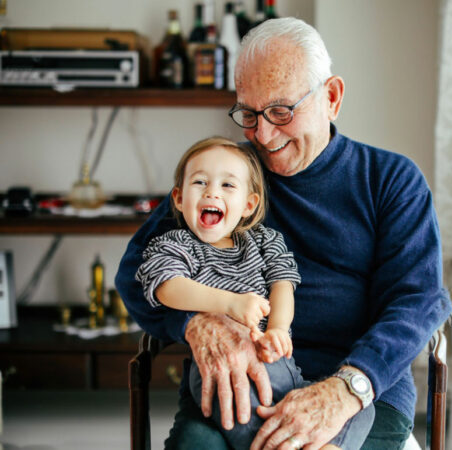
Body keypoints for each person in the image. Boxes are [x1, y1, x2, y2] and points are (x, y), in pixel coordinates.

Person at [116, 17, 452, 450]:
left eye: (281, 111)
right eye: (249, 114)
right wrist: (196, 320)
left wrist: (344, 391)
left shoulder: (390, 179)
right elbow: (137, 271)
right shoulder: (226, 176)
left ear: (331, 97)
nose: (264, 135)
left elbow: (417, 301)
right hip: (238, 384)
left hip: (359, 392)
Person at [134, 137, 374, 449]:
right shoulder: (176, 244)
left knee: (360, 410)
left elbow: (283, 285)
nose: (212, 192)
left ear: (249, 204)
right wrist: (229, 303)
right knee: (240, 406)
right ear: (178, 198)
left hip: (280, 365)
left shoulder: (264, 241)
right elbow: (166, 286)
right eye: (200, 182)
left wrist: (277, 328)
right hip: (222, 369)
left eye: (227, 185)